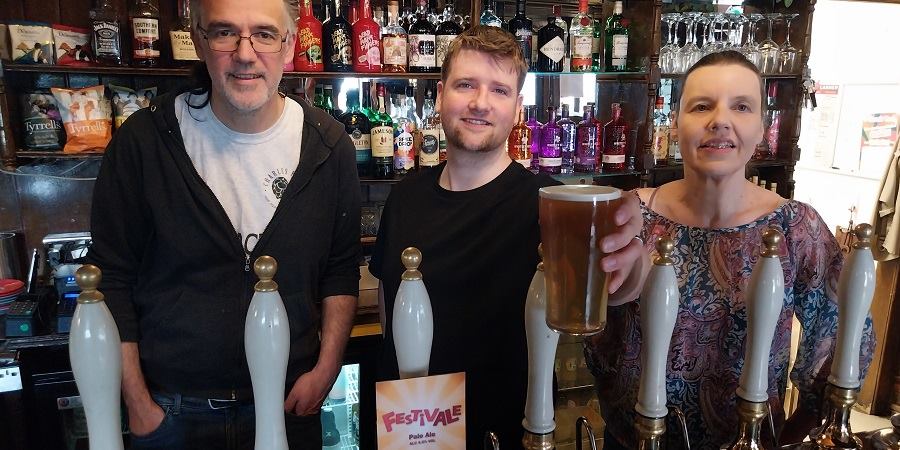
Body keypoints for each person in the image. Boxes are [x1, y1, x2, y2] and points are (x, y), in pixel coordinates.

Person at [86, 0, 361, 448]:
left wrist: (325, 370)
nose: (246, 53)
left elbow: (340, 269)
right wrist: (138, 403)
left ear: (290, 44)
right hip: (172, 416)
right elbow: (111, 277)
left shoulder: (329, 145)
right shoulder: (144, 141)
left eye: (265, 35)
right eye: (224, 32)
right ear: (198, 41)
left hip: (289, 409)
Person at [369, 26, 647, 449]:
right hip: (411, 429)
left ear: (516, 109)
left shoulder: (549, 204)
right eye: (466, 85)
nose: (480, 102)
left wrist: (632, 263)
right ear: (441, 95)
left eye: (499, 90)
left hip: (511, 429)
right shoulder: (405, 197)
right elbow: (389, 312)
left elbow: (621, 285)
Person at [585, 50, 876, 450]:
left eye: (741, 107)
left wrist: (800, 428)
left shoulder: (795, 228)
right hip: (630, 439)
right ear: (674, 122)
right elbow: (590, 325)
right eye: (701, 106)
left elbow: (846, 336)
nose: (719, 119)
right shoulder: (631, 212)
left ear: (760, 128)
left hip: (749, 439)